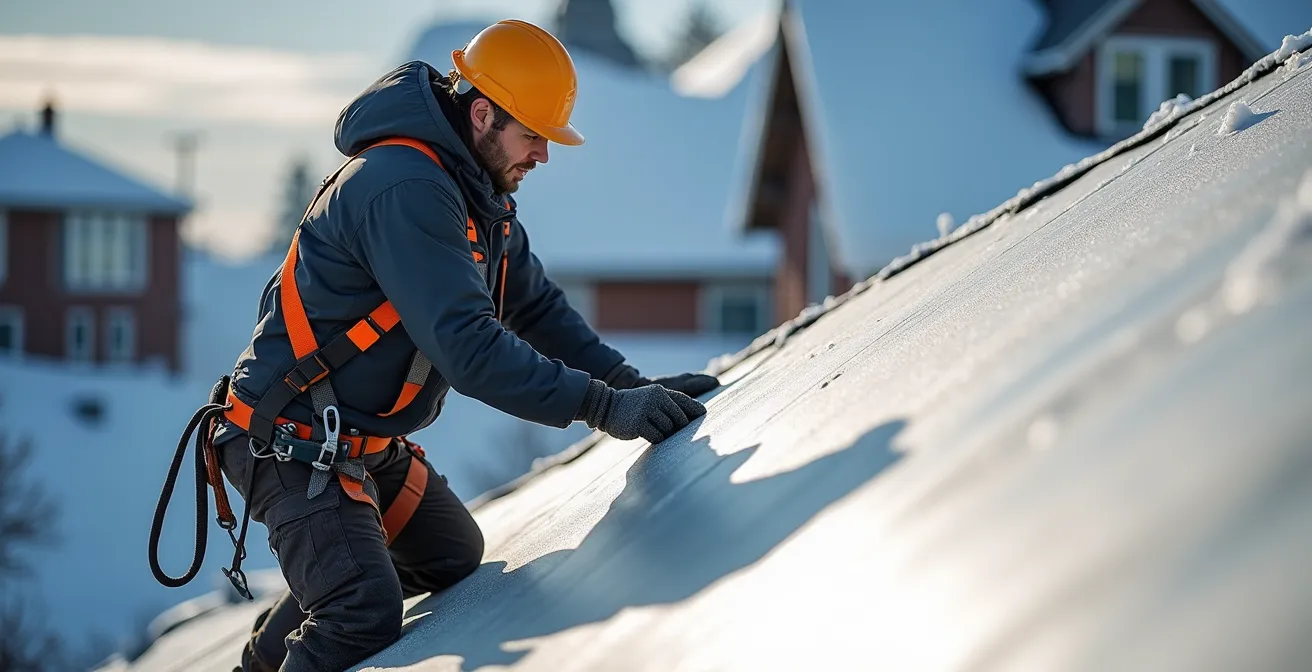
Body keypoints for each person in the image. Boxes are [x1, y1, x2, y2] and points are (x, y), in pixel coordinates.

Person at [211, 19, 719, 672]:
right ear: (482, 113)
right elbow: (470, 349)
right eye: (533, 135)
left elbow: (532, 306)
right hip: (289, 441)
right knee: (361, 612)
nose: (542, 154)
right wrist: (602, 407)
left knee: (449, 553)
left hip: (359, 442)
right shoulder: (407, 189)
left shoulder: (475, 192)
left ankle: (313, 602)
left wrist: (627, 384)